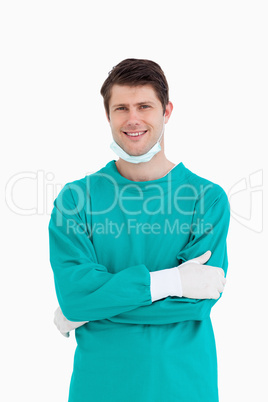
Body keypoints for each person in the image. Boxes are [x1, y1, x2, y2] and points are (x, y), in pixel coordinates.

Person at [48, 58, 230, 402]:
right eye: (121, 108)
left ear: (167, 111)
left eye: (144, 106)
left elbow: (194, 306)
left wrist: (91, 304)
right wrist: (173, 282)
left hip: (185, 387)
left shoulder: (207, 199)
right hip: (100, 388)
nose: (133, 119)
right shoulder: (76, 200)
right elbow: (74, 296)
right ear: (108, 116)